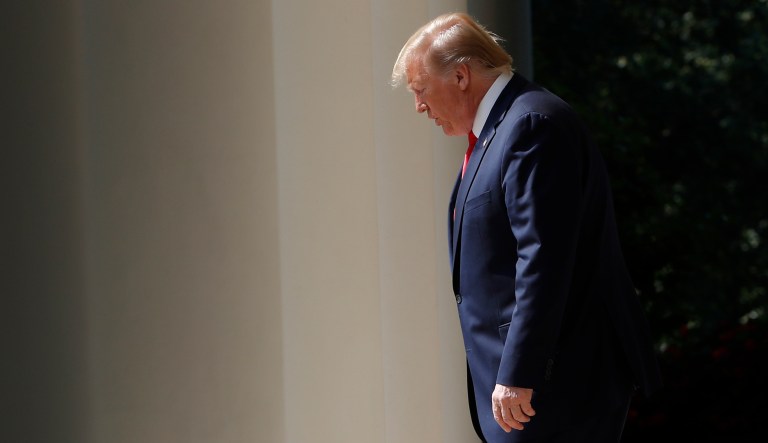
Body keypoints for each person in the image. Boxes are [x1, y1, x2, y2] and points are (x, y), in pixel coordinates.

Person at [391, 12, 662, 443]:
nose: (419, 106)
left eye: (421, 90)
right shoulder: (499, 132)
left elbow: (543, 260)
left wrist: (519, 371)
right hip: (527, 393)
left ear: (461, 76)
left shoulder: (530, 126)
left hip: (551, 389)